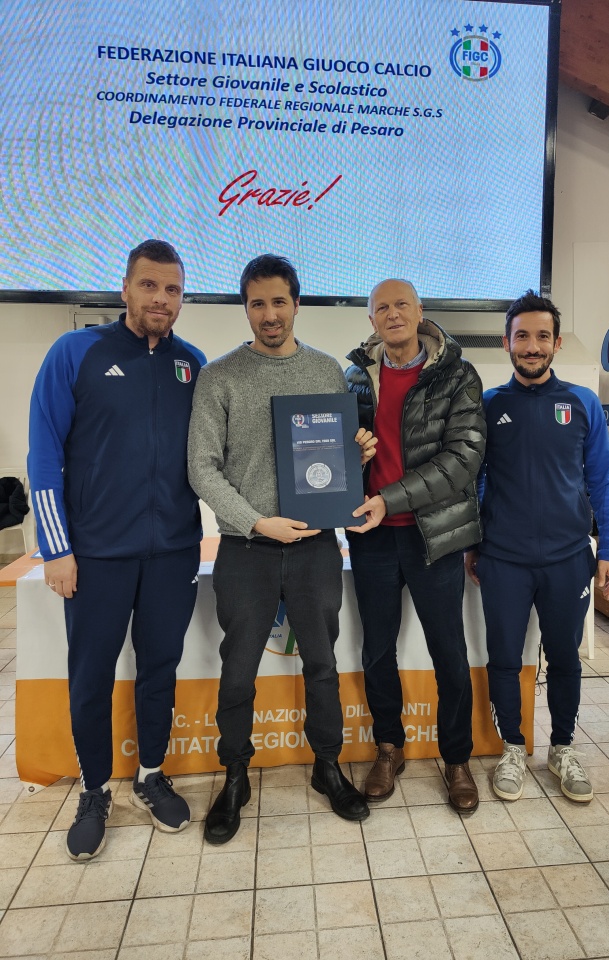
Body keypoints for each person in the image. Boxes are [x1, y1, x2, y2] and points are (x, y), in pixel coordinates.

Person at [188, 254, 376, 844]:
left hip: (317, 547)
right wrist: (256, 522)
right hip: (247, 548)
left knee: (322, 664)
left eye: (278, 301)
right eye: (257, 303)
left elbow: (335, 459)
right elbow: (202, 468)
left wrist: (355, 456)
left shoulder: (326, 371)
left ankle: (328, 766)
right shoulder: (219, 377)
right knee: (238, 669)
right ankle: (234, 777)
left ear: (296, 303)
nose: (269, 314)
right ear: (245, 309)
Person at [28, 239, 206, 860]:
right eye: (150, 285)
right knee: (91, 676)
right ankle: (95, 790)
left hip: (174, 553)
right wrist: (56, 547)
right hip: (96, 555)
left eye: (173, 289)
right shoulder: (74, 352)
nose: (161, 299)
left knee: (160, 669)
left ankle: (151, 776)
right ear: (125, 288)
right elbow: (43, 454)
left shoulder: (192, 364)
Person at [465, 290, 609, 804]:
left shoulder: (583, 402)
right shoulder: (489, 404)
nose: (531, 346)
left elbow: (602, 482)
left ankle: (562, 747)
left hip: (567, 559)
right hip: (503, 559)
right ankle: (513, 747)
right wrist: (474, 542)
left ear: (556, 343)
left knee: (565, 659)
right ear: (507, 343)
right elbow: (476, 480)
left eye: (541, 336)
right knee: (504, 658)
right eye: (522, 336)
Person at [345, 279, 486, 812]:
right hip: (374, 539)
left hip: (436, 536)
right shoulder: (355, 378)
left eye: (401, 304)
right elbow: (338, 456)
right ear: (372, 319)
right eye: (381, 307)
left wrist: (390, 498)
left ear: (420, 311)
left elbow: (463, 459)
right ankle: (389, 749)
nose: (392, 313)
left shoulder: (458, 375)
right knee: (377, 651)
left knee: (449, 651)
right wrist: (351, 459)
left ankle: (456, 759)